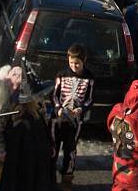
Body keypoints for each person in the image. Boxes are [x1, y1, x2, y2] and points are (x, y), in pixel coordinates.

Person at [0, 65, 54, 191]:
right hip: (17, 156)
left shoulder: (38, 106)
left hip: (37, 155)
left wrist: (51, 144)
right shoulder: (12, 103)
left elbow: (44, 127)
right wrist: (1, 149)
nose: (41, 97)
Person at [52, 43, 95, 190]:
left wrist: (80, 109)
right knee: (53, 146)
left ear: (84, 61)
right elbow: (55, 95)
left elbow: (90, 98)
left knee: (70, 149)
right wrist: (58, 108)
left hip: (76, 120)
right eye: (71, 63)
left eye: (77, 63)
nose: (74, 66)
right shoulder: (61, 74)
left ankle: (67, 178)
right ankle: (49, 176)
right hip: (59, 118)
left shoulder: (89, 78)